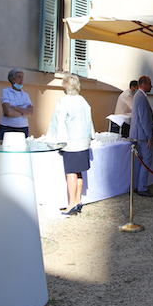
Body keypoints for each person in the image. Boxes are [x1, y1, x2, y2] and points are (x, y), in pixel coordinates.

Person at [46, 74, 95, 215]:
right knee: (79, 172)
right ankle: (78, 200)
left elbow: (59, 123)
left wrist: (58, 141)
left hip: (71, 142)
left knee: (71, 173)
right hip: (83, 142)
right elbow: (89, 121)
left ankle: (71, 204)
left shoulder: (64, 102)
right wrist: (90, 137)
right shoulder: (83, 101)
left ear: (65, 86)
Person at [0, 68, 34, 189]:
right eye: (19, 77)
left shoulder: (26, 95)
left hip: (22, 128)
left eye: (22, 77)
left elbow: (31, 112)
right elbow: (7, 112)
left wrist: (17, 108)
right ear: (12, 79)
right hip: (7, 127)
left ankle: (17, 180)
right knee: (1, 153)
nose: (21, 79)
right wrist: (23, 111)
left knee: (20, 154)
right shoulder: (6, 92)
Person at [130, 76, 153, 196]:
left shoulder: (138, 96)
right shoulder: (140, 97)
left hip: (138, 134)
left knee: (139, 161)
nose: (151, 86)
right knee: (146, 160)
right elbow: (144, 118)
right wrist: (149, 136)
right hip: (142, 135)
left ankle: (137, 185)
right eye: (149, 84)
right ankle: (142, 187)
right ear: (143, 84)